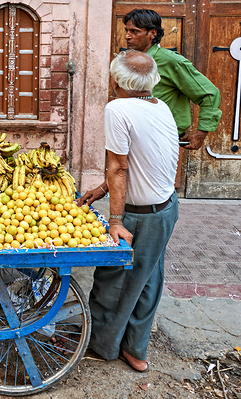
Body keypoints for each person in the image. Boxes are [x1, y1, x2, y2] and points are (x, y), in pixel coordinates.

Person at [77, 50, 179, 372]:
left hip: (142, 215)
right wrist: (101, 189)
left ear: (117, 81)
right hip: (166, 209)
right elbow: (137, 162)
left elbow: (120, 166)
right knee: (148, 280)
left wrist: (116, 220)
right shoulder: (160, 107)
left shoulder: (117, 108)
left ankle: (103, 347)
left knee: (115, 282)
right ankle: (135, 349)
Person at [123, 8, 222, 150]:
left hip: (161, 139)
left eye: (134, 31)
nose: (127, 36)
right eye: (127, 30)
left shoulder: (170, 61)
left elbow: (210, 94)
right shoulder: (130, 60)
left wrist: (201, 134)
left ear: (152, 33)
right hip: (134, 137)